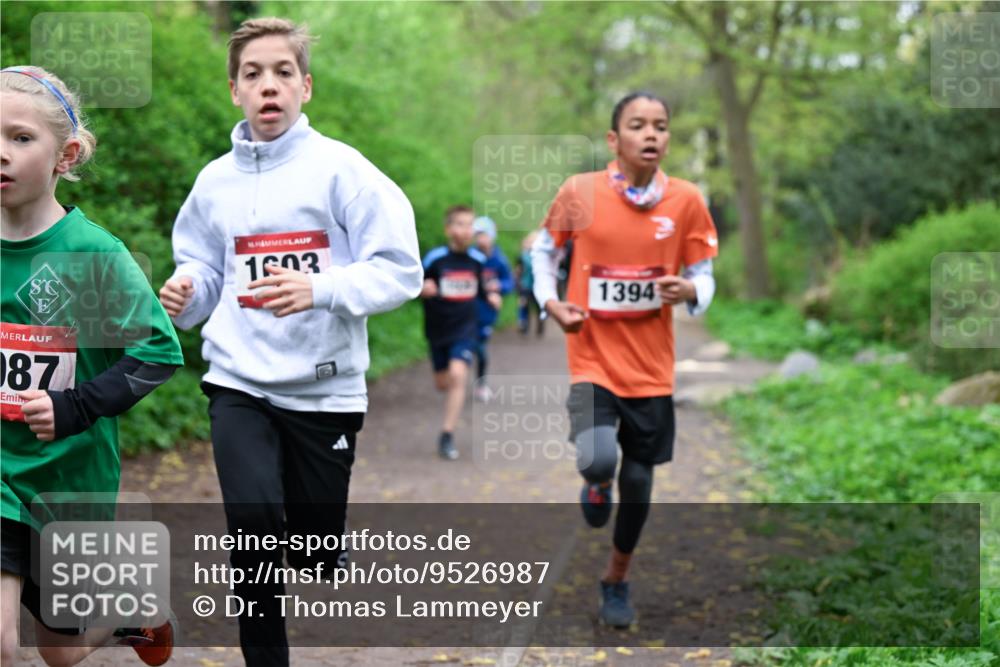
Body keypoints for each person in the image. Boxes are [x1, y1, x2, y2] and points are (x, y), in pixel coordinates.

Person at [157, 18, 422, 667]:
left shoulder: (342, 171)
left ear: (306, 86)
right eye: (253, 74)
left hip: (323, 387)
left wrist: (322, 287)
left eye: (282, 72)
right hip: (238, 382)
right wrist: (187, 290)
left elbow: (400, 268)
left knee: (311, 550)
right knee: (251, 535)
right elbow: (204, 265)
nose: (268, 85)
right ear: (234, 91)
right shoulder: (214, 182)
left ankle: (317, 540)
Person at [1, 66, 183, 666]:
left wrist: (75, 405)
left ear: (67, 154)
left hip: (66, 480)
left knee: (62, 652)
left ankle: (133, 609)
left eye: (20, 137)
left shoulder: (91, 255)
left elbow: (157, 352)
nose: (1, 152)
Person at [531, 91, 718, 628]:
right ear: (614, 139)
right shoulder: (580, 192)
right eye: (638, 125)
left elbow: (704, 273)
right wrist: (550, 302)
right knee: (598, 460)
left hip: (652, 368)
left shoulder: (686, 200)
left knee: (638, 483)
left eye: (661, 125)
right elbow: (544, 249)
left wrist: (691, 290)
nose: (651, 134)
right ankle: (595, 483)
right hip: (592, 356)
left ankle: (616, 578)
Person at [420, 206, 501, 459]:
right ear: (448, 229)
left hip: (465, 329)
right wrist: (422, 288)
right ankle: (448, 421)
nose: (467, 230)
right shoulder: (434, 259)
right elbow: (412, 285)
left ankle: (447, 434)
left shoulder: (478, 260)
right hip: (437, 330)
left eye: (470, 225)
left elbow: (481, 289)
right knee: (443, 383)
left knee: (458, 375)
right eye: (461, 224)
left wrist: (491, 297)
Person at [471, 216, 513, 402]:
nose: (481, 239)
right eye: (478, 235)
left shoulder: (499, 260)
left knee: (480, 350)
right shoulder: (470, 256)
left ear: (492, 236)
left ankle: (481, 385)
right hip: (466, 311)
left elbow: (510, 282)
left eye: (484, 234)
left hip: (487, 314)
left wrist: (499, 286)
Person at [515, 230, 543, 336]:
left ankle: (540, 325)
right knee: (524, 306)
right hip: (525, 286)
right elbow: (518, 272)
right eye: (530, 242)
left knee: (538, 307)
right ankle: (524, 325)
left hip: (538, 287)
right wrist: (518, 286)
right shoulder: (522, 257)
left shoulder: (541, 257)